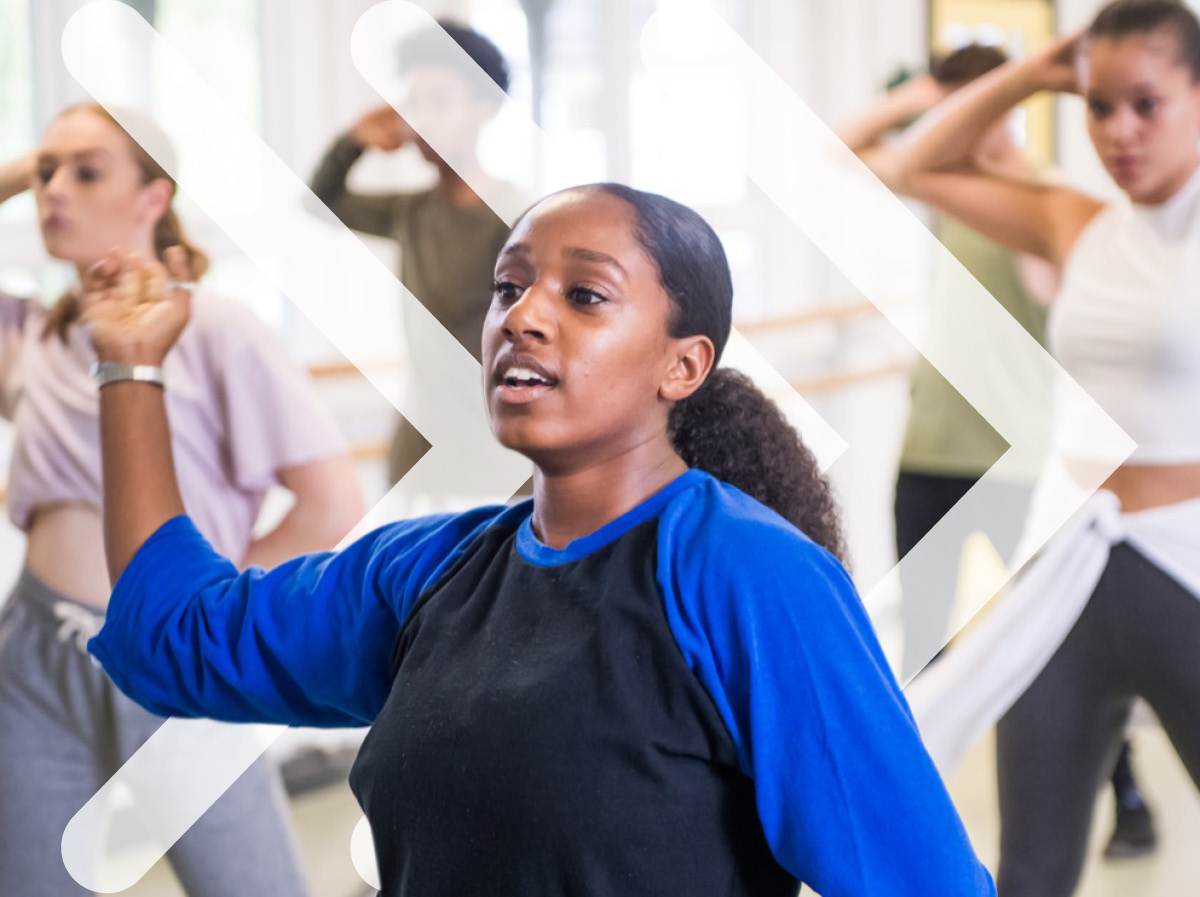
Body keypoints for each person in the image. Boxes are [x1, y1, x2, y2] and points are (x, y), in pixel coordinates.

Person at [80, 183, 996, 896]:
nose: (522, 315)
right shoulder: (429, 571)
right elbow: (172, 636)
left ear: (684, 364)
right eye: (508, 286)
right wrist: (131, 360)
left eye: (585, 294)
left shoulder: (746, 575)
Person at [0, 104, 364, 896]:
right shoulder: (30, 334)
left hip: (174, 659)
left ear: (153, 198)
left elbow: (330, 501)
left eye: (87, 171)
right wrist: (29, 166)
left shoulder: (215, 329)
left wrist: (211, 608)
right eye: (46, 173)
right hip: (31, 654)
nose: (55, 190)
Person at [895, 1, 1200, 893]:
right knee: (1030, 866)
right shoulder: (1080, 223)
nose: (1118, 131)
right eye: (1098, 106)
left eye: (1145, 103)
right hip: (1069, 561)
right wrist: (1033, 73)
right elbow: (922, 161)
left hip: (1184, 562)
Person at [839, 44, 1156, 858]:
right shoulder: (944, 184)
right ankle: (906, 808)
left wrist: (1010, 171)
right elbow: (849, 145)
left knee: (1053, 640)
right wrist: (928, 94)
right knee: (923, 637)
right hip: (932, 448)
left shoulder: (1040, 195)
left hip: (1021, 458)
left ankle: (1128, 798)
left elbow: (1057, 302)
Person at [308, 19, 523, 487]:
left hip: (496, 458)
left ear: (485, 108)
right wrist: (353, 141)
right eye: (414, 102)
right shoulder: (412, 212)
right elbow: (319, 201)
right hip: (419, 455)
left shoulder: (518, 219)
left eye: (440, 101)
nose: (421, 118)